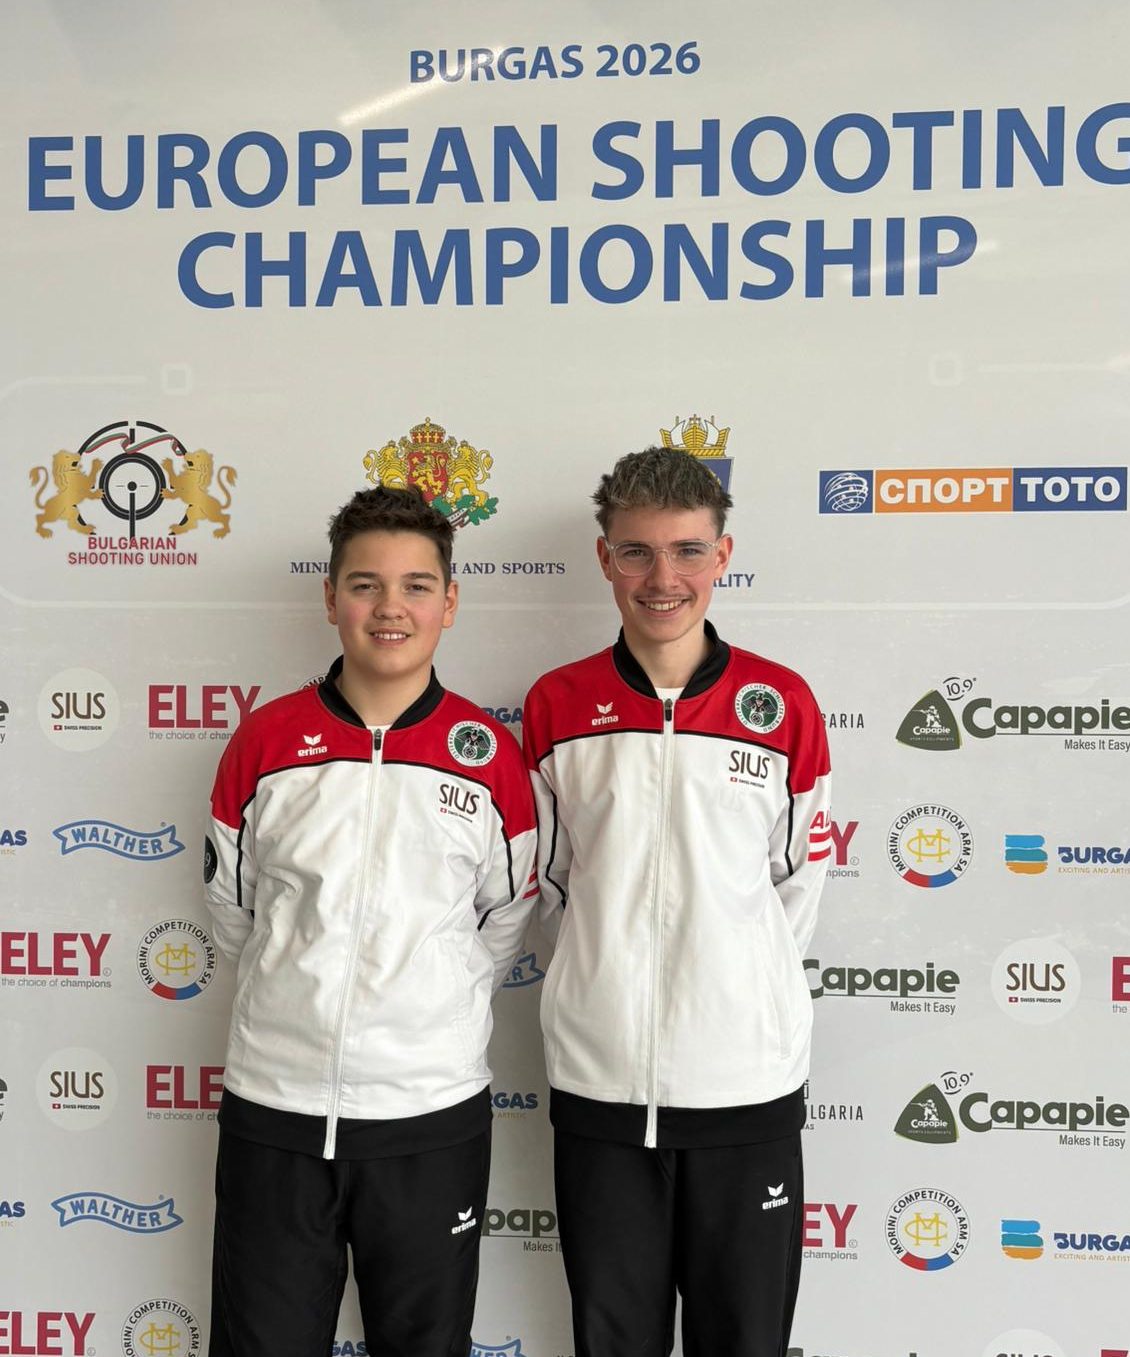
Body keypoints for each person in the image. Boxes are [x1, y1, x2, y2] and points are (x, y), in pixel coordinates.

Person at [204, 485, 537, 1357]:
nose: (391, 607)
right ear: (330, 597)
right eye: (365, 584)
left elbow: (503, 919)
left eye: (416, 585)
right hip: (275, 1109)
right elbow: (234, 912)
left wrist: (430, 1001)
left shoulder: (488, 756)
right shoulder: (265, 742)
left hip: (429, 1116)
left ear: (449, 602)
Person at [522, 448, 831, 1357]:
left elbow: (795, 885)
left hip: (746, 1086)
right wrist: (603, 982)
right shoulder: (557, 703)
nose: (663, 579)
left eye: (688, 550)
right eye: (637, 552)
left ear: (722, 554)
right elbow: (549, 885)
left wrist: (739, 987)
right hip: (600, 1086)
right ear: (604, 557)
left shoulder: (783, 704)